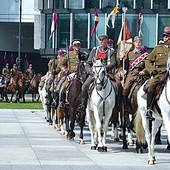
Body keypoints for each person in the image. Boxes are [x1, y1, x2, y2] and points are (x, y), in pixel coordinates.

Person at [77, 34, 117, 112]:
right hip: (95, 74)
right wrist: (90, 71)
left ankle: (117, 105)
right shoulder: (94, 50)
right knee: (84, 86)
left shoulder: (111, 51)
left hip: (107, 73)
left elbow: (113, 63)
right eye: (100, 40)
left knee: (118, 85)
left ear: (106, 41)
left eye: (103, 40)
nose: (101, 42)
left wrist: (104, 69)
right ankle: (83, 104)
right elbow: (88, 63)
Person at [145, 26, 170, 120]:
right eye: (164, 36)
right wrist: (152, 70)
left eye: (167, 36)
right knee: (151, 84)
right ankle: (149, 109)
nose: (165, 38)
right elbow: (148, 60)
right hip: (160, 73)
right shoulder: (157, 49)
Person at [58, 39, 88, 108]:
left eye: (79, 45)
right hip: (71, 73)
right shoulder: (69, 55)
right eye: (75, 45)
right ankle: (61, 101)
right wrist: (64, 70)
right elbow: (61, 64)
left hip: (82, 74)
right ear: (73, 46)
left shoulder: (84, 55)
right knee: (63, 86)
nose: (77, 47)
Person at [123, 36, 149, 113]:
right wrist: (122, 58)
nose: (138, 43)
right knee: (126, 89)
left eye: (139, 42)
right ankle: (125, 107)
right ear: (134, 43)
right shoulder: (129, 53)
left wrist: (144, 71)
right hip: (132, 74)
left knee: (149, 87)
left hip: (142, 74)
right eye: (137, 42)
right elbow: (123, 65)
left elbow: (148, 66)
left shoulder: (145, 55)